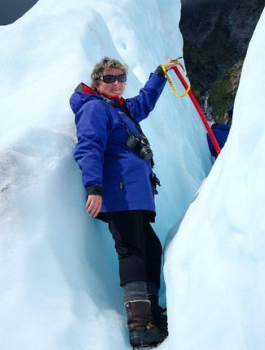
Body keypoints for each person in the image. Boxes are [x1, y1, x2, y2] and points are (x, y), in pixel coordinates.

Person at [69, 56, 176, 348]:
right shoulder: (94, 109)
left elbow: (143, 103)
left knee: (150, 250)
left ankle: (152, 315)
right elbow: (89, 146)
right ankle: (139, 328)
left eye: (120, 78)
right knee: (131, 251)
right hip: (118, 191)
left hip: (134, 192)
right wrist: (93, 187)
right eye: (109, 79)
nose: (116, 83)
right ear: (97, 82)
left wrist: (160, 75)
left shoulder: (120, 109)